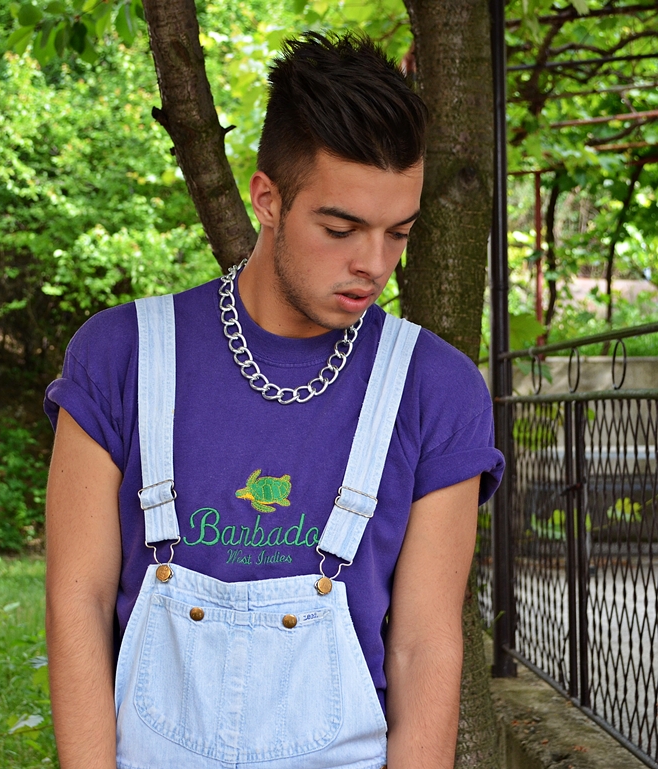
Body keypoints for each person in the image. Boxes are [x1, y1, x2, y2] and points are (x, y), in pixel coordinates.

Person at [44, 31, 504, 769]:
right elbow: (78, 603)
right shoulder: (120, 356)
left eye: (399, 233)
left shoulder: (437, 390)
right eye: (341, 228)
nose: (373, 264)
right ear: (267, 199)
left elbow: (425, 644)